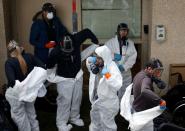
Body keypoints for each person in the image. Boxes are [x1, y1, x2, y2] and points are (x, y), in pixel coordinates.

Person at [46, 28, 99, 131]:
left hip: (77, 75)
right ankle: (61, 123)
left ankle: (74, 117)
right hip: (63, 78)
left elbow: (87, 31)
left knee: (77, 98)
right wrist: (54, 78)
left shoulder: (76, 39)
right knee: (64, 101)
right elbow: (49, 67)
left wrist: (95, 41)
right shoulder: (55, 52)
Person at [5, 40, 45, 131]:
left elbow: (12, 81)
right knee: (31, 114)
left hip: (16, 96)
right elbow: (43, 66)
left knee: (21, 118)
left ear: (10, 52)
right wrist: (32, 81)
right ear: (20, 48)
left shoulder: (9, 63)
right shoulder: (29, 57)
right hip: (29, 93)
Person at [86, 46, 122, 131]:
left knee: (108, 125)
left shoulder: (112, 68)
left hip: (107, 102)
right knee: (95, 121)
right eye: (96, 58)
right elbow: (89, 61)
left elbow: (117, 85)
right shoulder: (97, 64)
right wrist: (90, 62)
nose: (97, 60)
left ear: (105, 57)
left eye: (99, 58)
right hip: (96, 100)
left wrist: (107, 75)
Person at [105, 23, 137, 101]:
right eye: (122, 30)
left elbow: (133, 57)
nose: (124, 32)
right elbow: (104, 54)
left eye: (125, 31)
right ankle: (113, 108)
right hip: (113, 72)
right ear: (118, 31)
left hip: (125, 72)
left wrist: (124, 67)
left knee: (125, 91)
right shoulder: (110, 43)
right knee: (112, 90)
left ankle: (122, 109)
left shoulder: (130, 43)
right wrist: (113, 56)